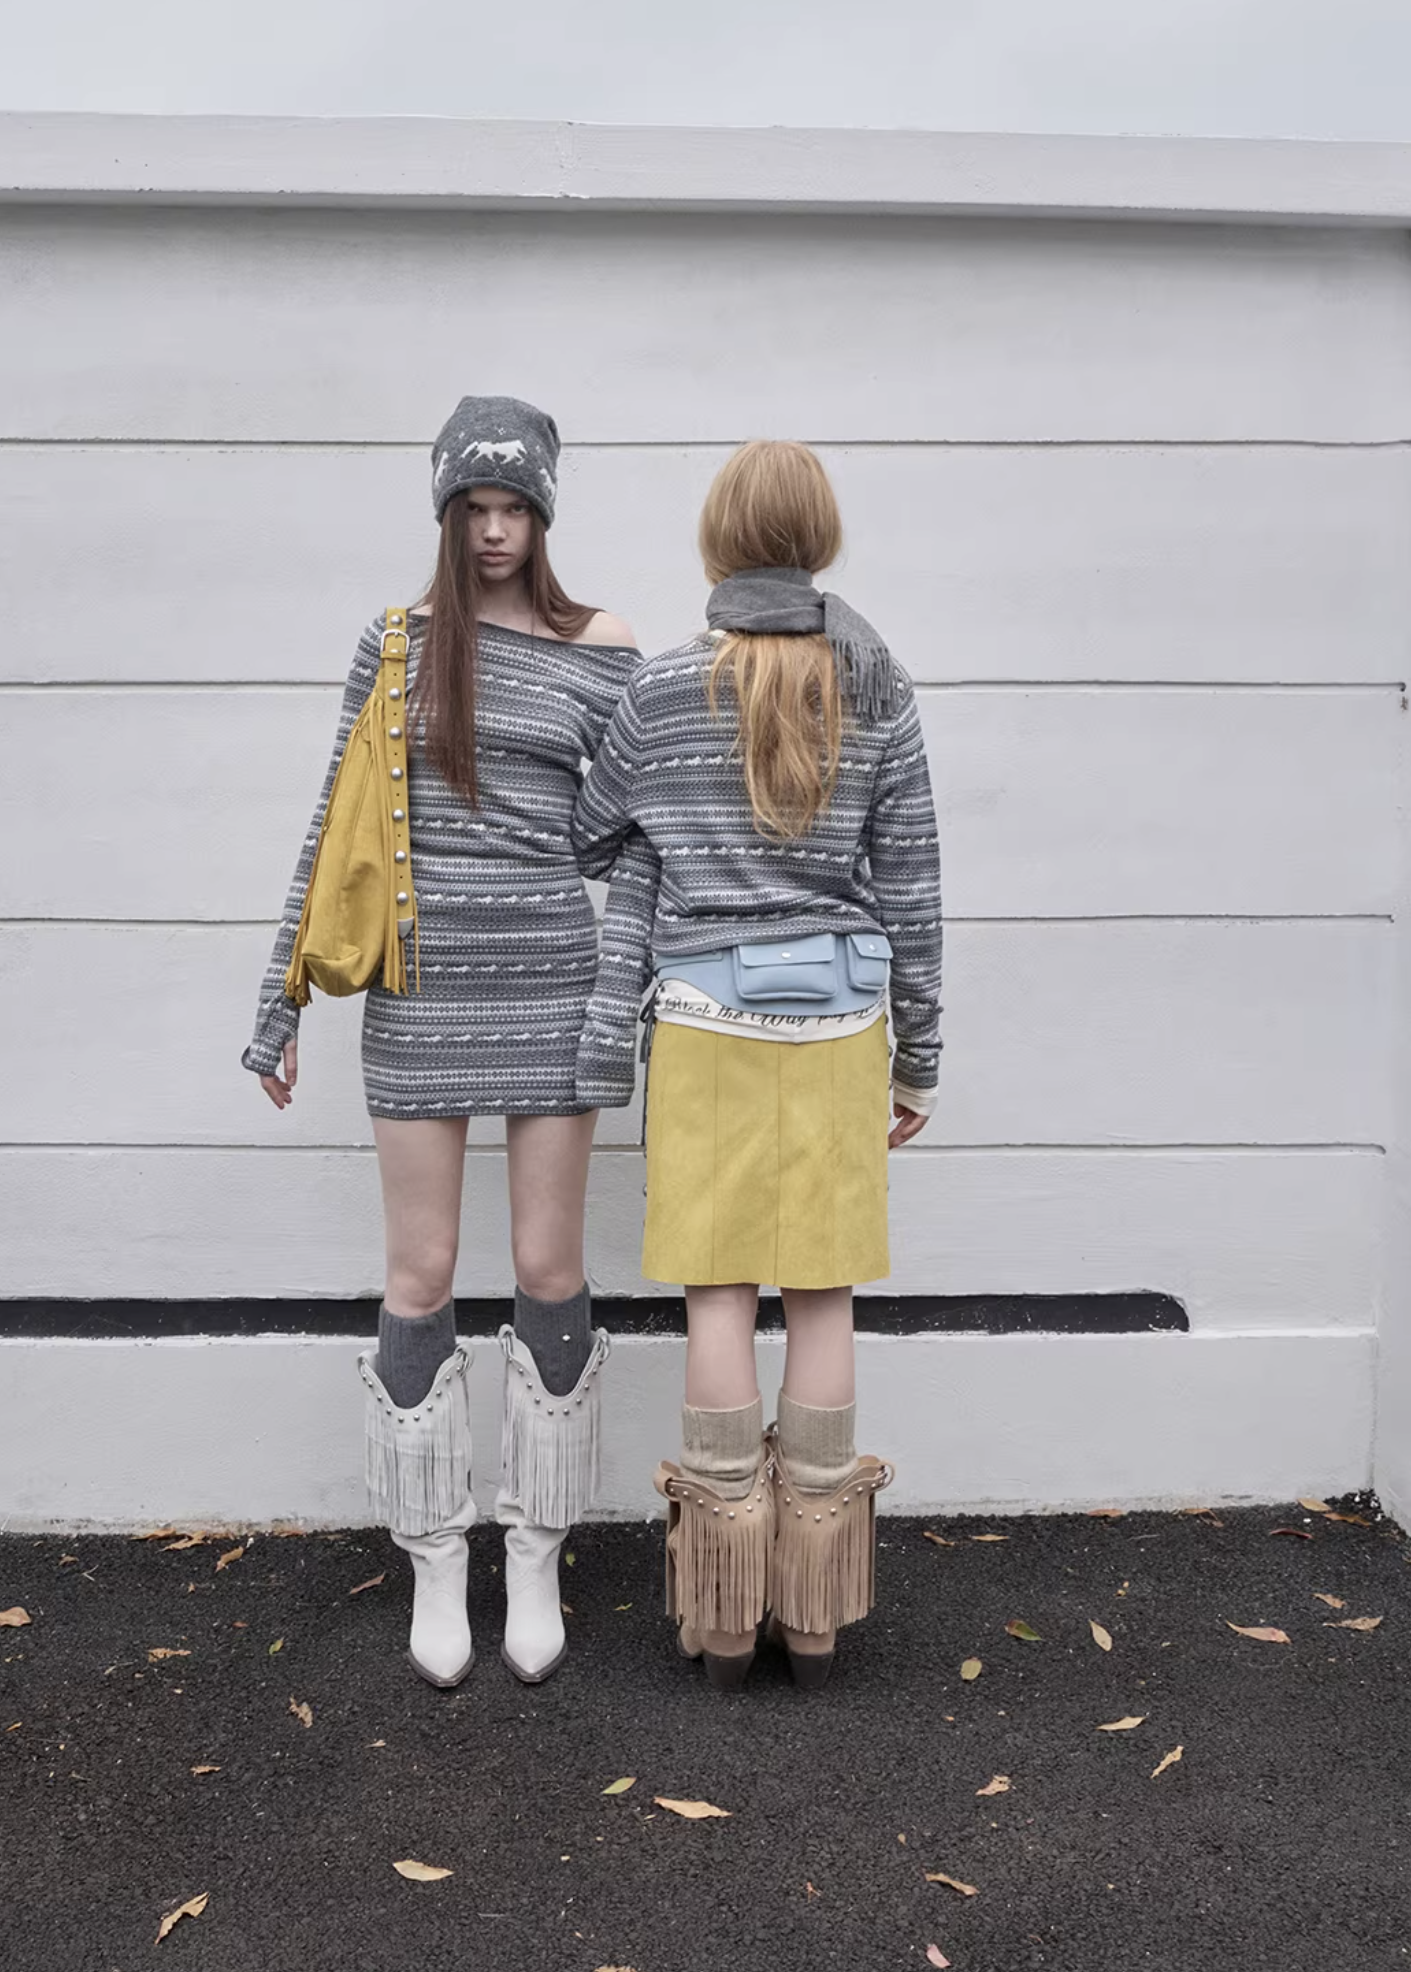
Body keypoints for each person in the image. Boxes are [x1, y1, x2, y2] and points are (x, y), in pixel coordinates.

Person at [243, 396, 638, 1689]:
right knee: (418, 1273)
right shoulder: (397, 644)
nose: (495, 530)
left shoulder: (603, 649)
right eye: (475, 508)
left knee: (547, 1267)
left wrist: (641, 990)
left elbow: (630, 841)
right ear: (446, 514)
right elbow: (333, 822)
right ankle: (432, 1555)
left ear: (544, 516)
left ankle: (535, 1552)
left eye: (516, 508)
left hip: (553, 984)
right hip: (417, 992)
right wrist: (280, 1001)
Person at [570, 439, 944, 1691]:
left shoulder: (662, 690)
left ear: (716, 539)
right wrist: (918, 1056)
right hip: (838, 1034)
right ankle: (818, 1619)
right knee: (823, 1297)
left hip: (704, 1029)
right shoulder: (875, 682)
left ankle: (725, 1621)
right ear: (819, 539)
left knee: (719, 1298)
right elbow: (912, 885)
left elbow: (591, 832)